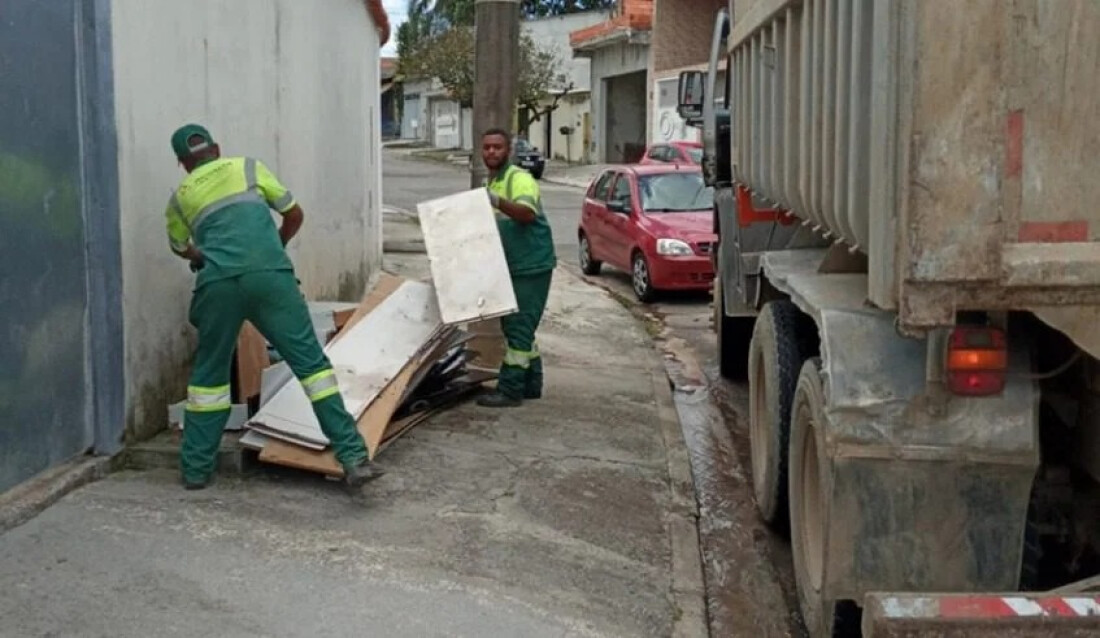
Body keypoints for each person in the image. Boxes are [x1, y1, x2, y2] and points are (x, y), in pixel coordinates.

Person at [165, 123, 382, 490]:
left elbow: (178, 245)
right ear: (216, 150)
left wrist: (202, 256)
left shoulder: (179, 197)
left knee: (209, 377)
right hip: (271, 278)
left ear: (183, 164)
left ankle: (196, 471)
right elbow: (294, 214)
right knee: (312, 368)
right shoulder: (248, 167)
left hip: (217, 285)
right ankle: (353, 458)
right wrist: (273, 248)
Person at [478, 127, 557, 408]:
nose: (491, 152)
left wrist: (495, 201)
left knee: (519, 328)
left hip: (531, 265)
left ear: (508, 150)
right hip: (514, 266)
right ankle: (531, 385)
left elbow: (526, 213)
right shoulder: (496, 181)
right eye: (486, 147)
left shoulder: (519, 179)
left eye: (497, 147)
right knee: (520, 329)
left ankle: (510, 390)